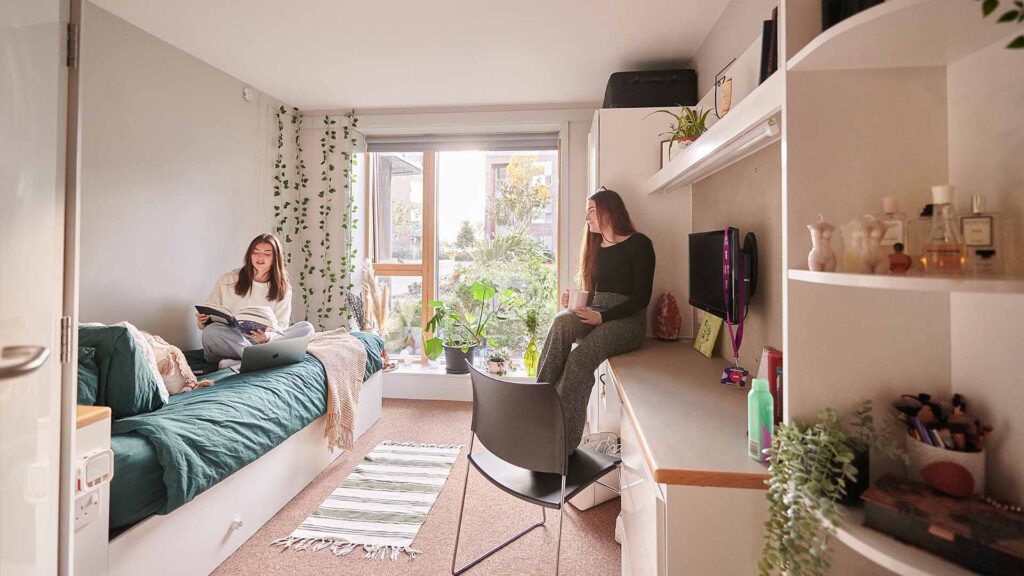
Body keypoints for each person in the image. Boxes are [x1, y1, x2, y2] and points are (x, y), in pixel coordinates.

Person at [537, 188, 655, 455]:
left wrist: (603, 317)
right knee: (561, 321)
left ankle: (561, 445)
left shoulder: (640, 244)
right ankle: (539, 401)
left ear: (609, 211)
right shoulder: (596, 247)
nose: (586, 217)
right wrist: (574, 302)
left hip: (627, 321)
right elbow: (595, 294)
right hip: (597, 311)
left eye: (591, 210)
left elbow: (642, 298)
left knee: (578, 360)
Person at [196, 233, 314, 367]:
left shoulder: (283, 287)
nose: (260, 257)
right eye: (255, 252)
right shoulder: (227, 279)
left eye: (267, 254)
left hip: (261, 343)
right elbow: (208, 317)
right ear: (249, 255)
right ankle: (259, 359)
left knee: (306, 328)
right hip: (229, 343)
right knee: (211, 331)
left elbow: (282, 327)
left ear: (275, 258)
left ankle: (243, 361)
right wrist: (203, 320)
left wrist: (267, 338)